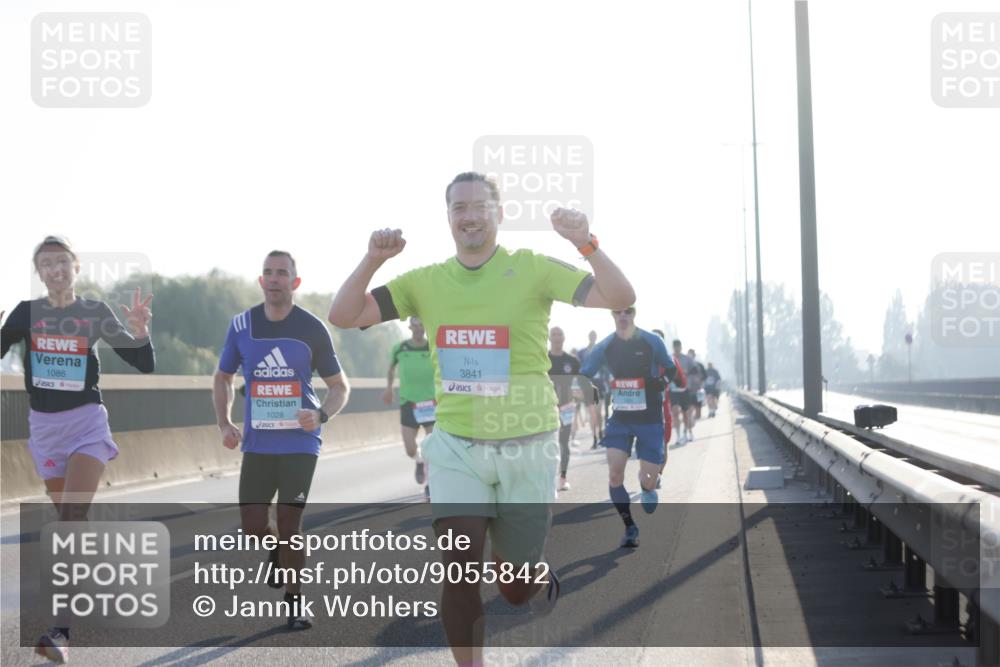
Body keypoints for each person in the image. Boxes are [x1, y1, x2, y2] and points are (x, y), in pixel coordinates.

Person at [327, 171, 635, 665]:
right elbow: (343, 315)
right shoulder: (424, 281)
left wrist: (586, 243)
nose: (469, 216)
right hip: (455, 447)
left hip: (527, 444)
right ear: (448, 217)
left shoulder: (532, 267)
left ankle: (529, 573)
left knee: (513, 588)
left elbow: (620, 298)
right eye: (458, 208)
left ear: (500, 213)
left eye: (479, 206)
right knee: (459, 570)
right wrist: (373, 259)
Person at [1, 235, 155, 664]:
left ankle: (60, 631)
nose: (55, 270)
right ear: (39, 273)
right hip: (44, 429)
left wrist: (141, 332)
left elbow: (142, 362)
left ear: (76, 266)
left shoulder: (94, 312)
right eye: (46, 264)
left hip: (86, 423)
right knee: (67, 524)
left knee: (71, 516)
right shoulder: (25, 314)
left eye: (62, 262)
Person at [213, 250, 350, 631]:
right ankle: (276, 549)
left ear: (295, 282)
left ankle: (295, 601)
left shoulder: (312, 328)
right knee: (253, 526)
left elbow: (340, 387)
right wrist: (224, 423)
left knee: (291, 523)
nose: (274, 279)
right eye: (268, 273)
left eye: (282, 273)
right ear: (261, 281)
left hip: (300, 443)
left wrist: (321, 414)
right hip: (257, 443)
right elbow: (222, 377)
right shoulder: (241, 325)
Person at [581, 307, 676, 549]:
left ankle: (647, 487)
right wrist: (591, 388)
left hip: (650, 418)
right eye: (617, 311)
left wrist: (660, 382)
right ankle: (630, 527)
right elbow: (585, 375)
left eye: (628, 311)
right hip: (621, 418)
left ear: (634, 313)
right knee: (614, 474)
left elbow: (671, 368)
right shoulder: (605, 346)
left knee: (649, 480)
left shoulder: (652, 340)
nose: (623, 315)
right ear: (612, 315)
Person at [383, 316, 435, 499]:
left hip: (431, 403)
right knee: (410, 448)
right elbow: (390, 369)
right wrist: (389, 389)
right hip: (408, 403)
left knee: (433, 447)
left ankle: (431, 485)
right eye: (416, 325)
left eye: (422, 325)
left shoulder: (433, 346)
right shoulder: (400, 348)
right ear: (410, 327)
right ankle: (419, 461)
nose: (419, 329)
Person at [547, 326, 581, 492]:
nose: (557, 337)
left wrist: (577, 397)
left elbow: (579, 383)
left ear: (564, 337)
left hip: (566, 406)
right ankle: (547, 479)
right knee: (546, 443)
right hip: (546, 407)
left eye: (560, 333)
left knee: (563, 442)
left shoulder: (572, 361)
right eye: (554, 334)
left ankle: (563, 477)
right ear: (549, 337)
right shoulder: (543, 359)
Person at [576, 330, 608, 449]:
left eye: (594, 336)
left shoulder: (601, 351)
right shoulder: (582, 353)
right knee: (592, 413)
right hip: (588, 385)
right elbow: (579, 369)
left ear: (596, 337)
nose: (592, 338)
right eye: (591, 336)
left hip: (599, 385)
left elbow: (606, 367)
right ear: (589, 337)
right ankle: (594, 437)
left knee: (599, 413)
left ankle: (600, 434)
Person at [670, 340, 695, 443]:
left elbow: (694, 371)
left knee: (686, 413)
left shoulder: (687, 359)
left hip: (685, 389)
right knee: (675, 411)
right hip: (673, 389)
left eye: (678, 347)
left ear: (681, 347)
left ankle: (687, 433)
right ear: (673, 348)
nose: (677, 349)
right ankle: (678, 435)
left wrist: (686, 374)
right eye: (675, 347)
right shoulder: (670, 358)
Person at [687, 349, 707, 421]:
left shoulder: (699, 365)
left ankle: (696, 421)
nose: (690, 356)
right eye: (689, 354)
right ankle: (691, 421)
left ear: (694, 355)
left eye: (692, 354)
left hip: (698, 389)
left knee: (698, 407)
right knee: (689, 406)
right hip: (688, 389)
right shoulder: (685, 364)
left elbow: (705, 376)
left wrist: (700, 379)